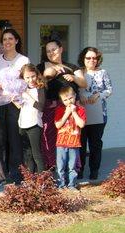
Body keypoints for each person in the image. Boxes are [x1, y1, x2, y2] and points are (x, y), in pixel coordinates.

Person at [37, 39, 87, 170]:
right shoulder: (43, 66)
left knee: (71, 137)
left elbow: (84, 83)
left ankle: (71, 169)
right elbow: (44, 77)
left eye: (53, 49)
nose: (51, 53)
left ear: (60, 49)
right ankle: (52, 167)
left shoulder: (72, 67)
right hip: (52, 107)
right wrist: (51, 70)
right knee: (49, 137)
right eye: (48, 51)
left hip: (71, 108)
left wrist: (74, 78)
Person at [0, 28, 30, 186]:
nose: (7, 42)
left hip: (15, 104)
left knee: (15, 139)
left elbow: (26, 82)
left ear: (16, 41)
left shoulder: (24, 60)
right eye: (5, 39)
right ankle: (0, 174)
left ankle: (16, 173)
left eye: (10, 39)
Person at [78, 47, 112, 180]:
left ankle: (94, 171)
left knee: (95, 144)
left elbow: (109, 90)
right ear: (83, 58)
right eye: (88, 58)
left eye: (94, 58)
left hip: (99, 113)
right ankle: (79, 171)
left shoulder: (103, 72)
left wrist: (98, 95)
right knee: (80, 143)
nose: (92, 60)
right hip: (81, 113)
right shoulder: (79, 72)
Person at [55, 86, 86, 189]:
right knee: (61, 166)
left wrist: (74, 112)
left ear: (75, 96)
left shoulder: (80, 109)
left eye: (70, 98)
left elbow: (81, 124)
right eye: (65, 100)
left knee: (72, 166)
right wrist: (66, 113)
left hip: (74, 143)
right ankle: (61, 185)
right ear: (62, 100)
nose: (69, 101)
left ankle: (72, 184)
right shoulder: (59, 110)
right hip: (61, 143)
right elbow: (58, 125)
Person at [16, 64, 45, 173]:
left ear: (37, 75)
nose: (30, 80)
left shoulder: (40, 88)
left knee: (36, 153)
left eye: (33, 76)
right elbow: (20, 106)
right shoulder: (22, 89)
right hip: (23, 123)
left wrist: (27, 96)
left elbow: (41, 107)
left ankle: (43, 180)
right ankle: (30, 179)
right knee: (27, 154)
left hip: (35, 124)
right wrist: (15, 99)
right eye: (27, 77)